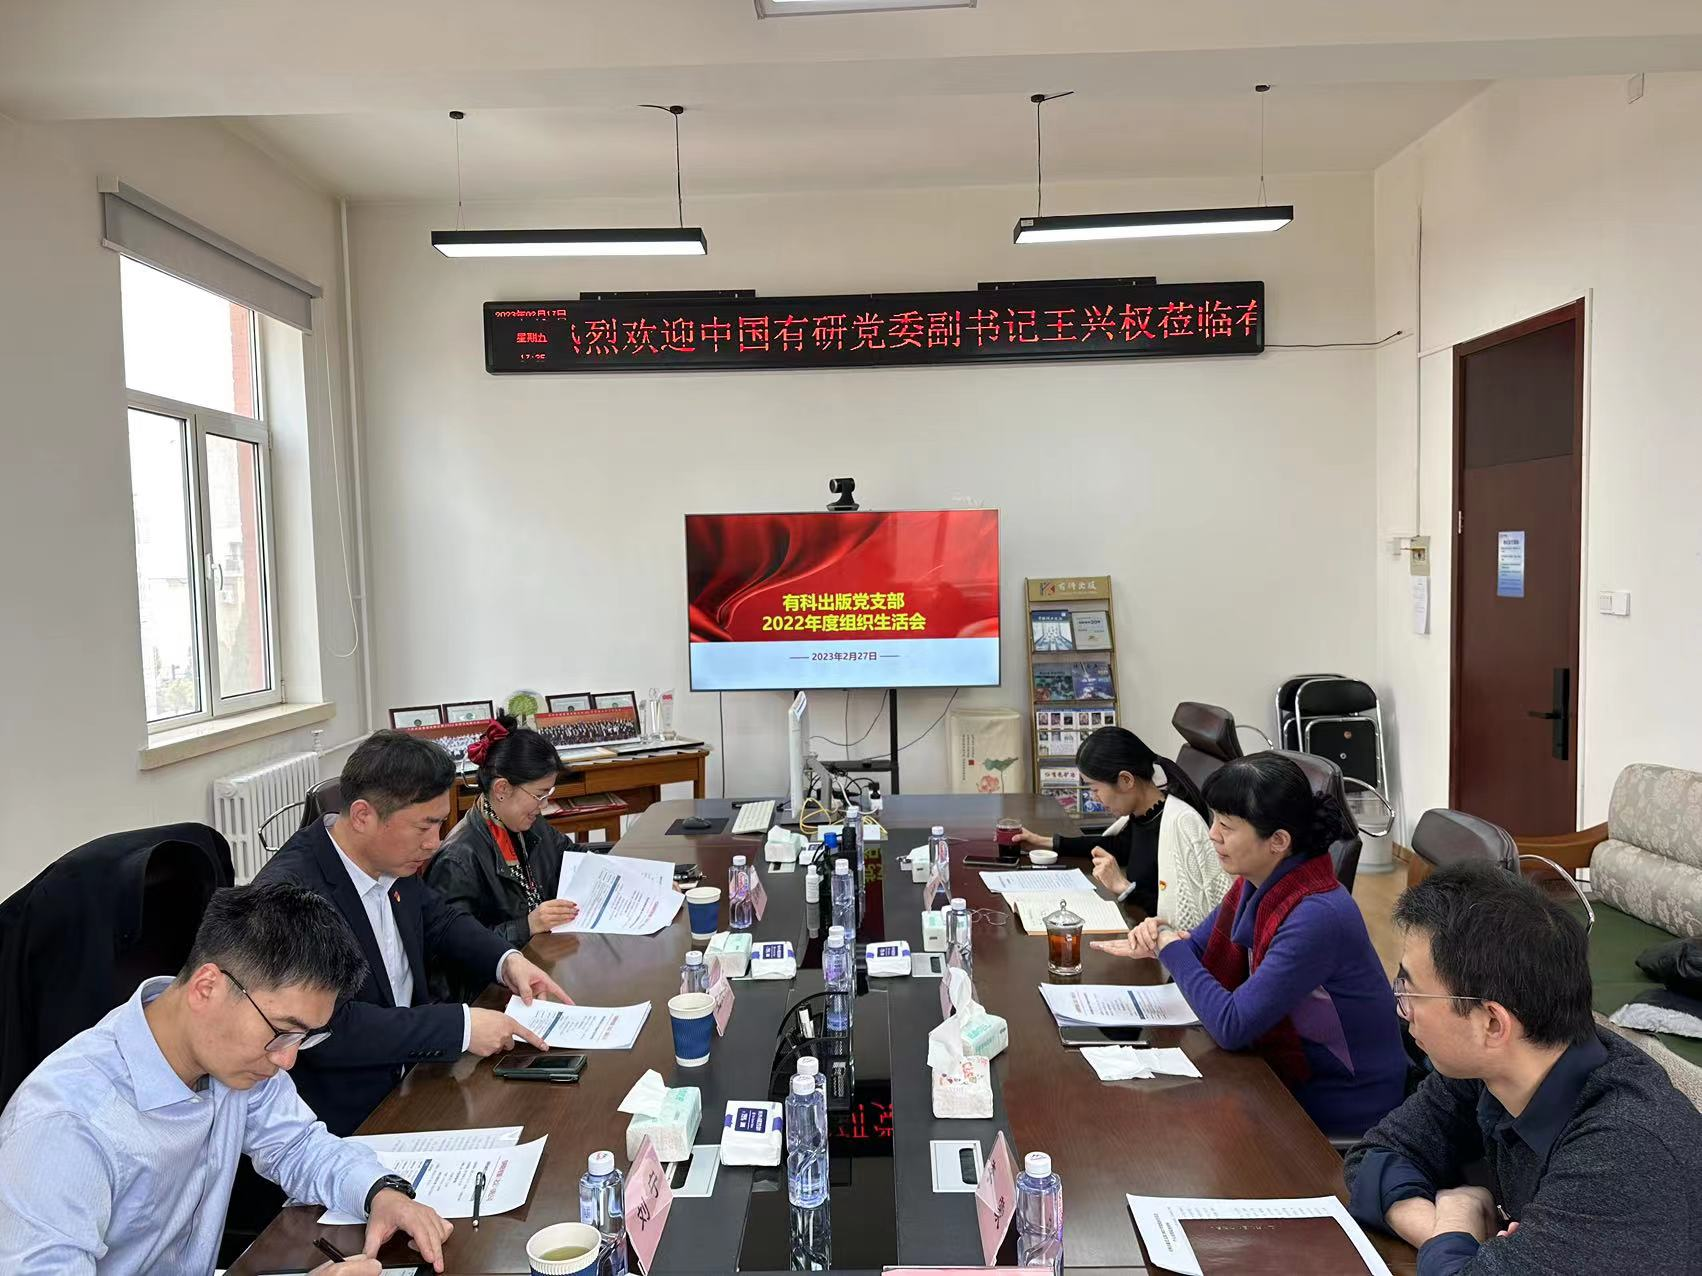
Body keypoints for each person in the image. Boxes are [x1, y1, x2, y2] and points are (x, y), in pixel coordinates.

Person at [0, 882, 453, 1276]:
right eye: (282, 1031)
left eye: (304, 1038)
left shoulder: (232, 1060)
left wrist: (380, 1191)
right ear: (207, 988)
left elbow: (298, 1146)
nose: (287, 1059)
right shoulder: (65, 1126)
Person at [1345, 863, 1702, 1275]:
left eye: (1411, 992)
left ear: (1492, 1023)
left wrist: (1457, 1221)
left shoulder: (1623, 1158)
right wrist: (1447, 1229)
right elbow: (1373, 1158)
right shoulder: (1492, 1067)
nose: (1402, 1010)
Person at [255, 729, 571, 1136]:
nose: (434, 843)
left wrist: (506, 960)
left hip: (417, 1077)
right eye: (424, 827)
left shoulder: (389, 859)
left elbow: (439, 919)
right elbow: (331, 1027)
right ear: (363, 816)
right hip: (347, 1116)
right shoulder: (289, 896)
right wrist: (460, 1027)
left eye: (440, 825)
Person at [1095, 752, 1408, 1135]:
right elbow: (1197, 950)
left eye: (1226, 826)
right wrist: (1167, 940)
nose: (1212, 834)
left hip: (1339, 1101)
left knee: (1159, 1124)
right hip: (1282, 1076)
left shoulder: (1318, 915)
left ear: (1278, 841)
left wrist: (1167, 943)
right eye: (1214, 820)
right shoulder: (1257, 881)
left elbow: (1232, 1025)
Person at [1013, 727, 1231, 928]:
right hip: (1140, 929)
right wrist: (1045, 842)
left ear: (1126, 780)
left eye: (1095, 789)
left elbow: (1189, 920)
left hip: (1161, 945)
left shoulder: (1180, 824)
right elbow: (1118, 846)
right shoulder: (1144, 814)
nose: (1095, 798)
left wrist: (1124, 888)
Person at [426, 715, 581, 998]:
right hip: (491, 994)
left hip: (539, 961)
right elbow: (453, 949)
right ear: (501, 789)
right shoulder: (458, 859)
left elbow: (574, 857)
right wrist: (527, 925)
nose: (544, 805)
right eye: (539, 795)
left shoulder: (527, 823)